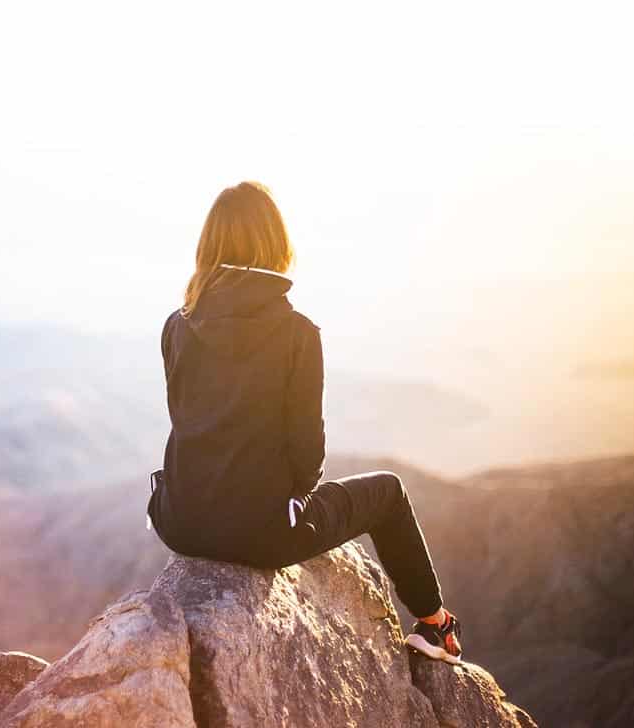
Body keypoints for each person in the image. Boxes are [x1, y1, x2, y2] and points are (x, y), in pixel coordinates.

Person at [145, 180, 462, 664]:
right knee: (390, 493)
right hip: (262, 534)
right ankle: (435, 624)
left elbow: (185, 418)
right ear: (277, 245)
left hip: (178, 521)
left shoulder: (176, 324)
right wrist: (287, 502)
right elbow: (308, 458)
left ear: (208, 246)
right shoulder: (297, 334)